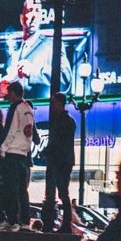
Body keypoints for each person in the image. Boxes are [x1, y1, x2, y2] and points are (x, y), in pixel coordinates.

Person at [0, 0, 73, 101]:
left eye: (37, 11)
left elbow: (66, 78)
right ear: (21, 18)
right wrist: (4, 91)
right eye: (30, 10)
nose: (34, 16)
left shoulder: (51, 45)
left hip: (41, 109)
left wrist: (32, 71)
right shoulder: (13, 58)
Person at [0, 81, 34, 232]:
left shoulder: (16, 107)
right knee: (22, 189)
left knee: (11, 189)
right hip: (23, 153)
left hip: (12, 152)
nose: (8, 96)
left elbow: (11, 130)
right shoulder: (28, 108)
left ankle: (13, 220)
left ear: (13, 93)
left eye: (9, 93)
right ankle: (24, 220)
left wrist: (2, 148)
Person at [45, 92, 76, 233]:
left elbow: (57, 142)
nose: (52, 106)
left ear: (59, 103)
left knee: (62, 192)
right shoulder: (67, 120)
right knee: (63, 192)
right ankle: (65, 223)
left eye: (53, 103)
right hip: (63, 160)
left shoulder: (62, 121)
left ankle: (64, 224)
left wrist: (47, 151)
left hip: (60, 161)